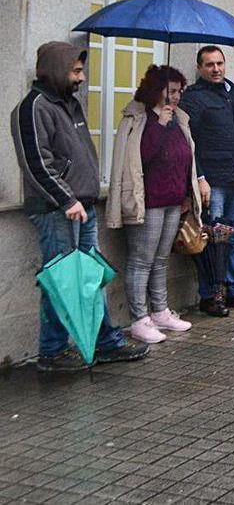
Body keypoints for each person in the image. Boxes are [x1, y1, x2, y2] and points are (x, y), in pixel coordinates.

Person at [11, 41, 149, 370]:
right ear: (58, 69)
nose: (82, 77)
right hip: (59, 211)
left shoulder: (68, 105)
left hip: (82, 208)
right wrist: (67, 199)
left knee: (89, 279)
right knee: (63, 282)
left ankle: (103, 342)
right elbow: (35, 163)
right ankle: (53, 351)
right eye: (76, 70)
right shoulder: (33, 108)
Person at [107, 65, 200, 343]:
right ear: (156, 91)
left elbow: (186, 158)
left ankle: (160, 311)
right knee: (141, 261)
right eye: (171, 91)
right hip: (147, 201)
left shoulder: (179, 119)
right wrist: (159, 125)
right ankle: (139, 318)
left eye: (179, 91)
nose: (176, 97)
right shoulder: (139, 119)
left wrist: (187, 193)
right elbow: (142, 157)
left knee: (161, 260)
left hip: (173, 200)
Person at [178, 46, 234, 316]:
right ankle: (211, 294)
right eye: (210, 64)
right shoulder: (193, 97)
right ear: (200, 68)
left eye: (220, 63)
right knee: (212, 239)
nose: (216, 69)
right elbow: (188, 141)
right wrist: (199, 177)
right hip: (212, 182)